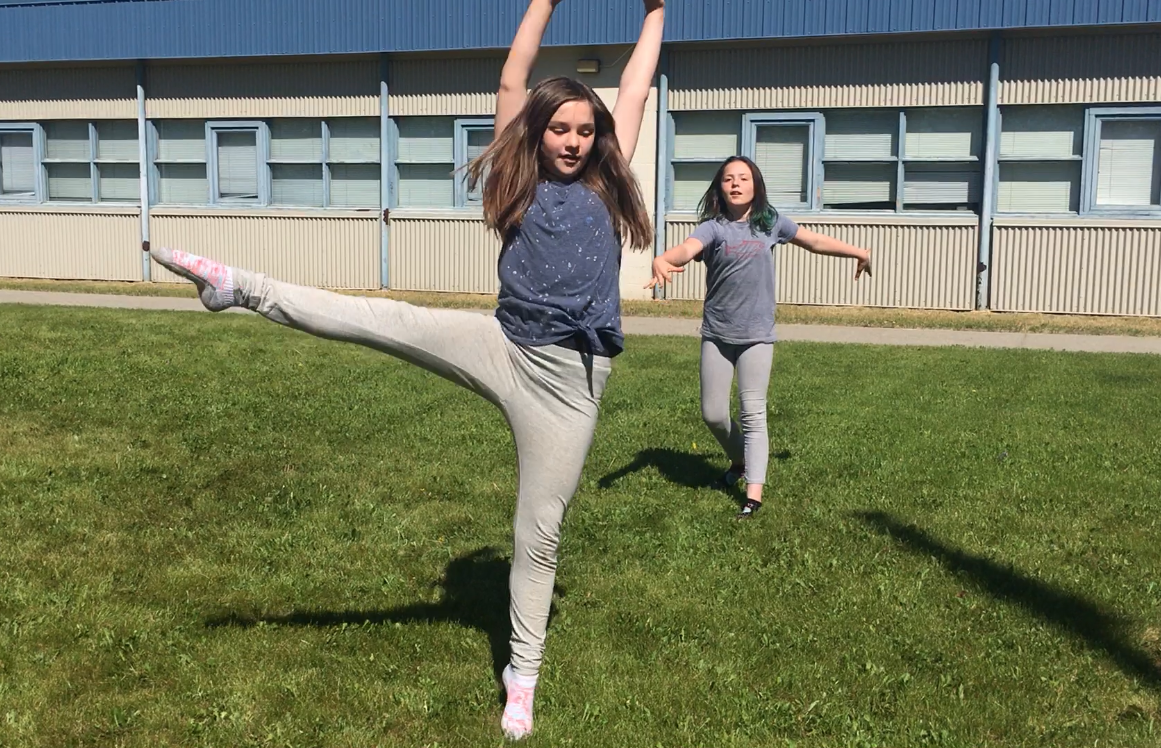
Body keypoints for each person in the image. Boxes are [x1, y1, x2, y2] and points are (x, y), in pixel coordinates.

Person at [149, 0, 664, 739]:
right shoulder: (517, 181)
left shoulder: (604, 187)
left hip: (572, 384)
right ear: (536, 130)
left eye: (585, 130)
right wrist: (544, 4)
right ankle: (241, 287)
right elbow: (513, 76)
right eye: (560, 128)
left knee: (538, 535)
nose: (573, 141)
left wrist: (654, 12)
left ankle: (522, 675)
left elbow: (637, 88)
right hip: (503, 343)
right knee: (376, 319)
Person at [646, 156, 872, 519]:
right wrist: (663, 259)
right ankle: (738, 460)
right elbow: (686, 250)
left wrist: (858, 252)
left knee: (753, 412)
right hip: (717, 334)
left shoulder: (770, 223)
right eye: (728, 179)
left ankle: (753, 493)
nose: (736, 184)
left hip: (757, 336)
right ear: (720, 188)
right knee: (714, 414)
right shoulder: (713, 229)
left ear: (755, 186)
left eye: (743, 178)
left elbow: (812, 241)